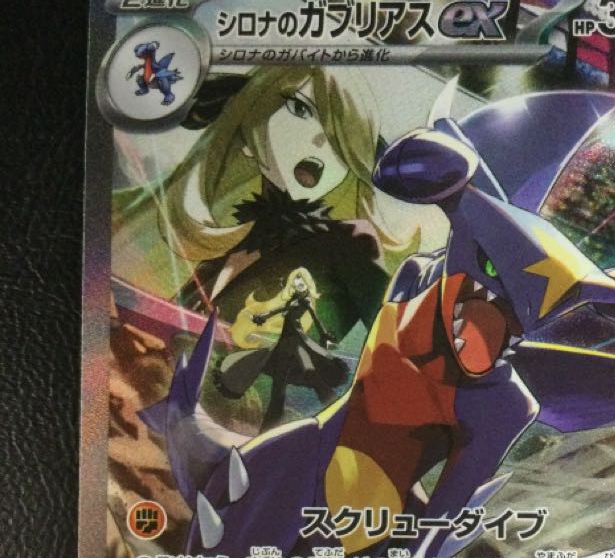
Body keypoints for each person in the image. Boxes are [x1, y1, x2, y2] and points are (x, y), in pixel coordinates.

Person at [113, 65, 420, 343]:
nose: (319, 141)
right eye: (300, 109)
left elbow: (403, 345)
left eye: (340, 137)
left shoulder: (349, 242)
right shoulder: (228, 254)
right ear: (249, 135)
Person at [216, 269, 348, 430]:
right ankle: (267, 433)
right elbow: (277, 311)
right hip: (286, 342)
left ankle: (337, 418)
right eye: (296, 281)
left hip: (297, 339)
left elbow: (315, 318)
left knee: (308, 374)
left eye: (301, 281)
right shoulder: (293, 299)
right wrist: (262, 317)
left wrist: (324, 335)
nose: (298, 284)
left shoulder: (305, 300)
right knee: (279, 390)